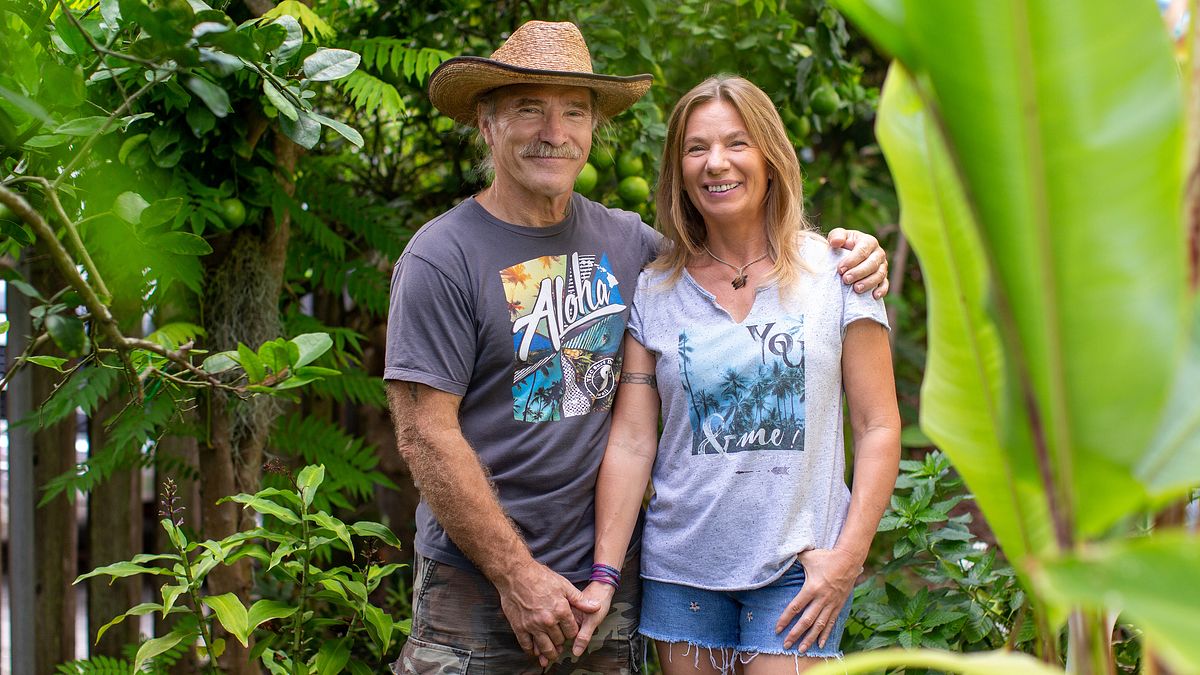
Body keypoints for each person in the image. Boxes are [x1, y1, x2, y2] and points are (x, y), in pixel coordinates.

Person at [384, 22, 891, 674]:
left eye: (572, 112)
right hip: (481, 579)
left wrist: (855, 253)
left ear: (593, 130)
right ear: (487, 124)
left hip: (608, 579)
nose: (553, 130)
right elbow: (425, 434)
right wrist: (516, 575)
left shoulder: (633, 250)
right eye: (528, 109)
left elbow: (730, 266)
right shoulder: (442, 256)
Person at [580, 75, 901, 674]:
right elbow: (631, 441)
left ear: (772, 157)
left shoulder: (838, 271)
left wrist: (848, 558)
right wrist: (604, 572)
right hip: (681, 573)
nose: (715, 163)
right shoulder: (656, 287)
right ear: (678, 170)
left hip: (799, 568)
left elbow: (878, 424)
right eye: (696, 148)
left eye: (736, 143)